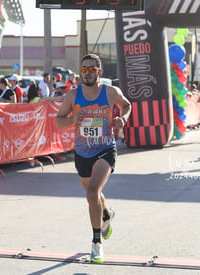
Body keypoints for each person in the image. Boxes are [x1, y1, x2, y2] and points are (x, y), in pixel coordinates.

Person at [56, 54, 131, 263]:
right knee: (94, 195)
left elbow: (127, 105)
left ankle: (96, 243)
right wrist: (72, 119)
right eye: (84, 69)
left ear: (99, 71)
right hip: (82, 152)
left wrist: (122, 119)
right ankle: (106, 215)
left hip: (105, 148)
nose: (87, 73)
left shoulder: (110, 92)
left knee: (92, 193)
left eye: (92, 69)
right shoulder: (72, 95)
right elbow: (59, 122)